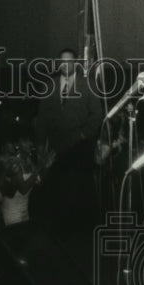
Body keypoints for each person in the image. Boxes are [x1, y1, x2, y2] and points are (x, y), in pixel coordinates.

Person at [32, 48, 103, 233]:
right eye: (62, 61)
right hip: (57, 148)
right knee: (58, 191)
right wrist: (40, 144)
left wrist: (83, 135)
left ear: (75, 63)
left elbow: (97, 115)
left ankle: (84, 230)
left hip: (80, 147)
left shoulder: (87, 84)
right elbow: (42, 118)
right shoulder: (50, 85)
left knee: (80, 189)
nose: (66, 65)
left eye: (69, 61)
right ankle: (60, 231)